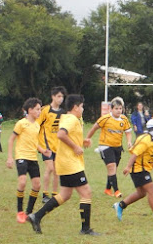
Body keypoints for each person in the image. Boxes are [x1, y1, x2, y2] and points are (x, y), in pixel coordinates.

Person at [27, 94, 100, 235]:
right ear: (75, 107)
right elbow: (61, 134)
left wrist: (82, 143)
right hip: (71, 163)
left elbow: (67, 135)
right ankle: (85, 229)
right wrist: (75, 147)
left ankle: (36, 216)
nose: (83, 109)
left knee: (65, 194)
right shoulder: (71, 119)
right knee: (86, 193)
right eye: (82, 106)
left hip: (65, 162)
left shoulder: (68, 118)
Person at [112, 119, 153, 224]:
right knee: (151, 190)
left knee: (141, 193)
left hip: (144, 169)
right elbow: (135, 154)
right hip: (138, 169)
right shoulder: (145, 140)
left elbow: (152, 157)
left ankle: (120, 205)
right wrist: (128, 166)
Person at [6, 98, 51, 224]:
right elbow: (11, 140)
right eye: (37, 109)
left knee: (37, 185)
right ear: (30, 110)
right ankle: (20, 211)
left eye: (40, 109)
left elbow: (34, 142)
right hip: (21, 157)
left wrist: (43, 150)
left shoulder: (37, 125)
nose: (39, 112)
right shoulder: (21, 123)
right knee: (22, 182)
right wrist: (10, 157)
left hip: (33, 158)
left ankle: (28, 212)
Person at [85, 97, 132, 198]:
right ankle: (116, 191)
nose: (119, 110)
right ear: (111, 109)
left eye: (120, 108)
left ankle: (107, 189)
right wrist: (88, 138)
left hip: (118, 147)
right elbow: (94, 127)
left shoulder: (124, 119)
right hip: (105, 146)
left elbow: (128, 132)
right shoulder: (105, 119)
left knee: (113, 170)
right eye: (116, 109)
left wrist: (128, 142)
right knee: (111, 167)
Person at [37, 86, 67, 203]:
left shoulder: (63, 113)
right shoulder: (45, 110)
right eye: (58, 96)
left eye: (62, 97)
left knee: (56, 171)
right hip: (45, 145)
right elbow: (36, 125)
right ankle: (45, 194)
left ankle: (54, 194)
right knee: (50, 168)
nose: (61, 99)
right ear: (53, 97)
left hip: (57, 146)